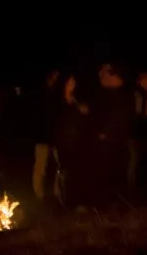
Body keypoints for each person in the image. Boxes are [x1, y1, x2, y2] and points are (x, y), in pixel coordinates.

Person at [93, 65, 132, 201]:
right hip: (110, 136)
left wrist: (106, 131)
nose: (101, 77)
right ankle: (111, 194)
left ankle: (118, 194)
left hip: (116, 136)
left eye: (103, 74)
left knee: (117, 165)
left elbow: (118, 115)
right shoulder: (106, 93)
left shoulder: (122, 93)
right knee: (109, 166)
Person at [55, 74, 90, 207]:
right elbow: (59, 120)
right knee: (64, 170)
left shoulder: (76, 100)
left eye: (73, 83)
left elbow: (81, 119)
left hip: (76, 140)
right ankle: (63, 199)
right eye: (70, 83)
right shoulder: (59, 101)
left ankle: (75, 199)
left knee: (76, 171)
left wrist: (83, 112)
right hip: (64, 141)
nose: (72, 85)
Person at [32, 69, 61, 204]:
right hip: (43, 137)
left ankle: (56, 192)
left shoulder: (56, 94)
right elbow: (41, 117)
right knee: (41, 167)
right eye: (55, 75)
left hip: (53, 137)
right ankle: (39, 194)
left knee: (56, 166)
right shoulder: (41, 94)